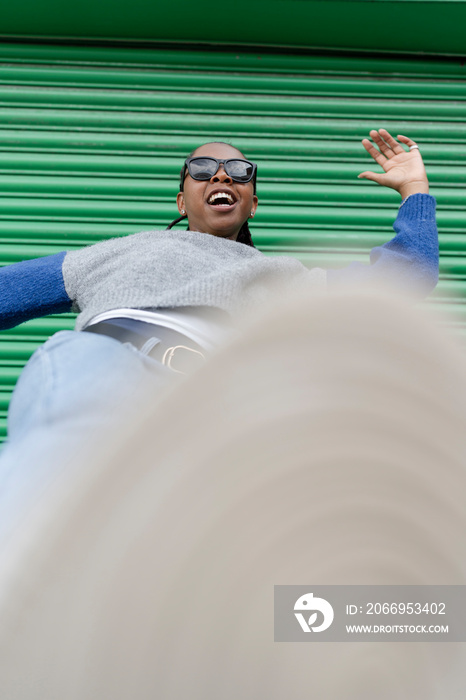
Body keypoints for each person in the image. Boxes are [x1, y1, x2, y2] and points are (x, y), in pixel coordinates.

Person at [0, 129, 438, 467]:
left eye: (239, 171)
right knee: (47, 486)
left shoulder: (285, 279)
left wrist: (414, 188)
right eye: (203, 169)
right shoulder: (112, 253)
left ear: (252, 204)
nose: (222, 175)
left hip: (212, 409)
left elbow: (405, 275)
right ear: (181, 200)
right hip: (103, 365)